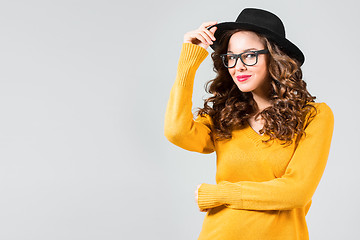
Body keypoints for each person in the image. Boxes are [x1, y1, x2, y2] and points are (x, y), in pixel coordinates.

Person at [164, 8, 334, 240]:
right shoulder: (224, 115)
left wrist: (221, 194)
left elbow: (296, 192)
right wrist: (189, 59)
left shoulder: (314, 116)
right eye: (231, 57)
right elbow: (176, 132)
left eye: (250, 55)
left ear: (274, 56)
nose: (238, 66)